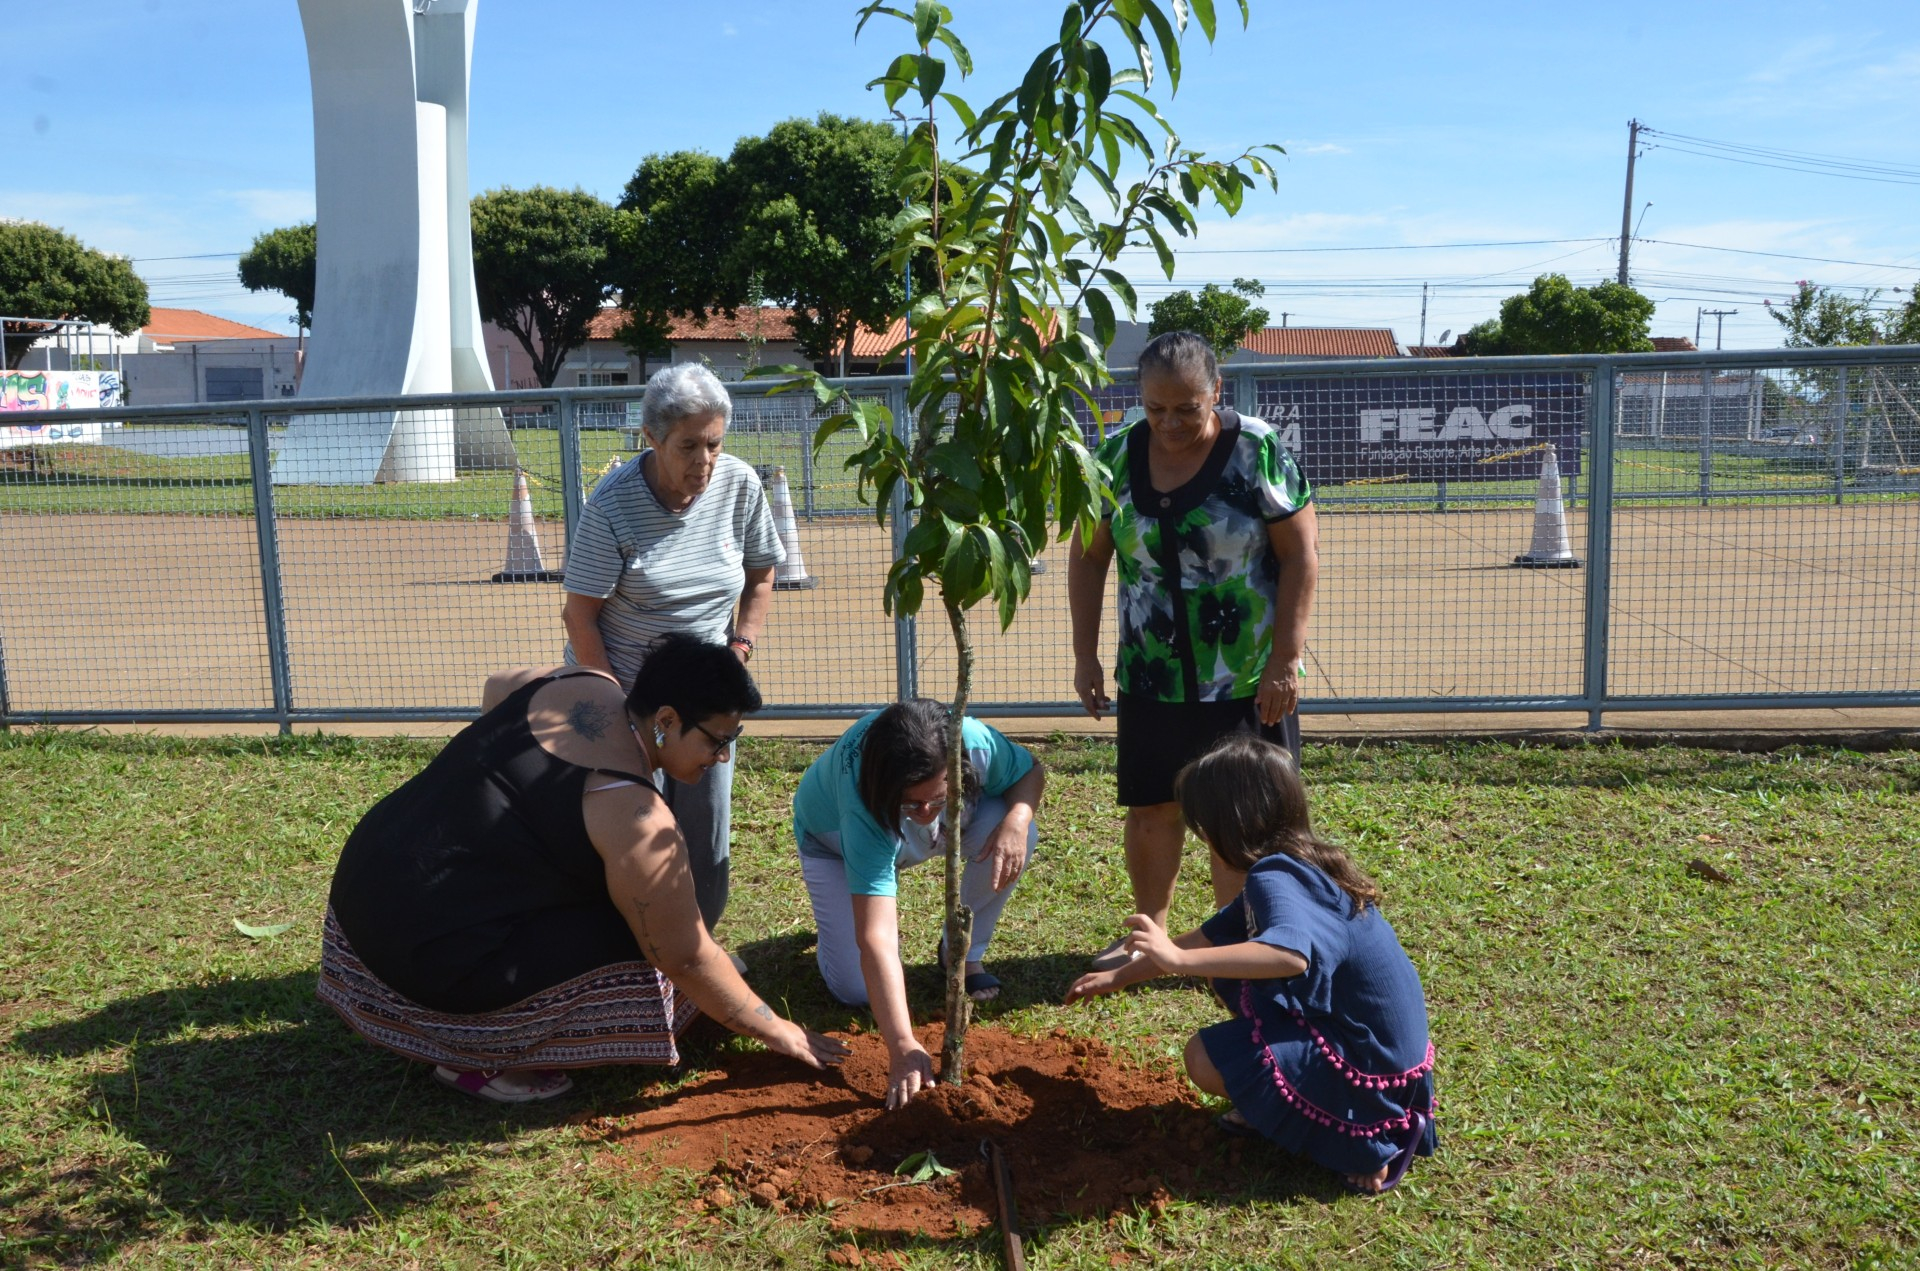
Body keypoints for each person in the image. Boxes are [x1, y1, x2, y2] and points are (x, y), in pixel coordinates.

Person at [320, 634, 847, 1103]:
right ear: (665, 721)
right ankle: (474, 1054)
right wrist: (779, 1029)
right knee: (648, 956)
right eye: (717, 740)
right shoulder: (634, 812)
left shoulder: (584, 681)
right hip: (429, 959)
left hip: (364, 890)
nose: (723, 757)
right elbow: (684, 955)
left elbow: (497, 686)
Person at [1065, 735, 1436, 1194]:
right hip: (1391, 1057)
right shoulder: (1298, 862)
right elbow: (1207, 938)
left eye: (1202, 827)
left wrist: (1178, 960)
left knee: (1203, 1057)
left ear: (1229, 823)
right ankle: (1287, 1106)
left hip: (1368, 1066)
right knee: (1231, 974)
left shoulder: (1274, 877)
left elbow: (1288, 956)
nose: (1203, 840)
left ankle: (1367, 1144)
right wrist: (1118, 976)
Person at [1067, 329, 1319, 971]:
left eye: (1187, 407)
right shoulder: (1116, 457)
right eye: (1155, 409)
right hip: (1152, 673)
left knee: (1242, 815)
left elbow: (1299, 556)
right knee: (1153, 806)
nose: (1169, 423)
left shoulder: (1256, 450)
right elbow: (1088, 557)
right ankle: (1148, 937)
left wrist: (1285, 660)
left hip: (1244, 675)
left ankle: (1235, 943)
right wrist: (1086, 655)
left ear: (1217, 393)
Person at [562, 361, 783, 938]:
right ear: (652, 438)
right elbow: (579, 616)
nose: (704, 462)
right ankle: (628, 959)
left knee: (705, 830)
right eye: (688, 446)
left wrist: (738, 649)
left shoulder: (738, 485)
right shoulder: (612, 506)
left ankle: (698, 947)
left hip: (704, 701)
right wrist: (616, 712)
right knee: (638, 830)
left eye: (714, 444)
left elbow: (761, 574)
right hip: (629, 698)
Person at [792, 699, 1045, 1109]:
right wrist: (903, 1045)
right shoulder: (861, 800)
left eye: (937, 799)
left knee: (1020, 830)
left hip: (920, 826)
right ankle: (828, 941)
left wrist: (1016, 822)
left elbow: (1031, 770)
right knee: (853, 988)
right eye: (913, 803)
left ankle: (962, 951)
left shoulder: (974, 741)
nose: (926, 813)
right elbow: (876, 935)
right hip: (833, 843)